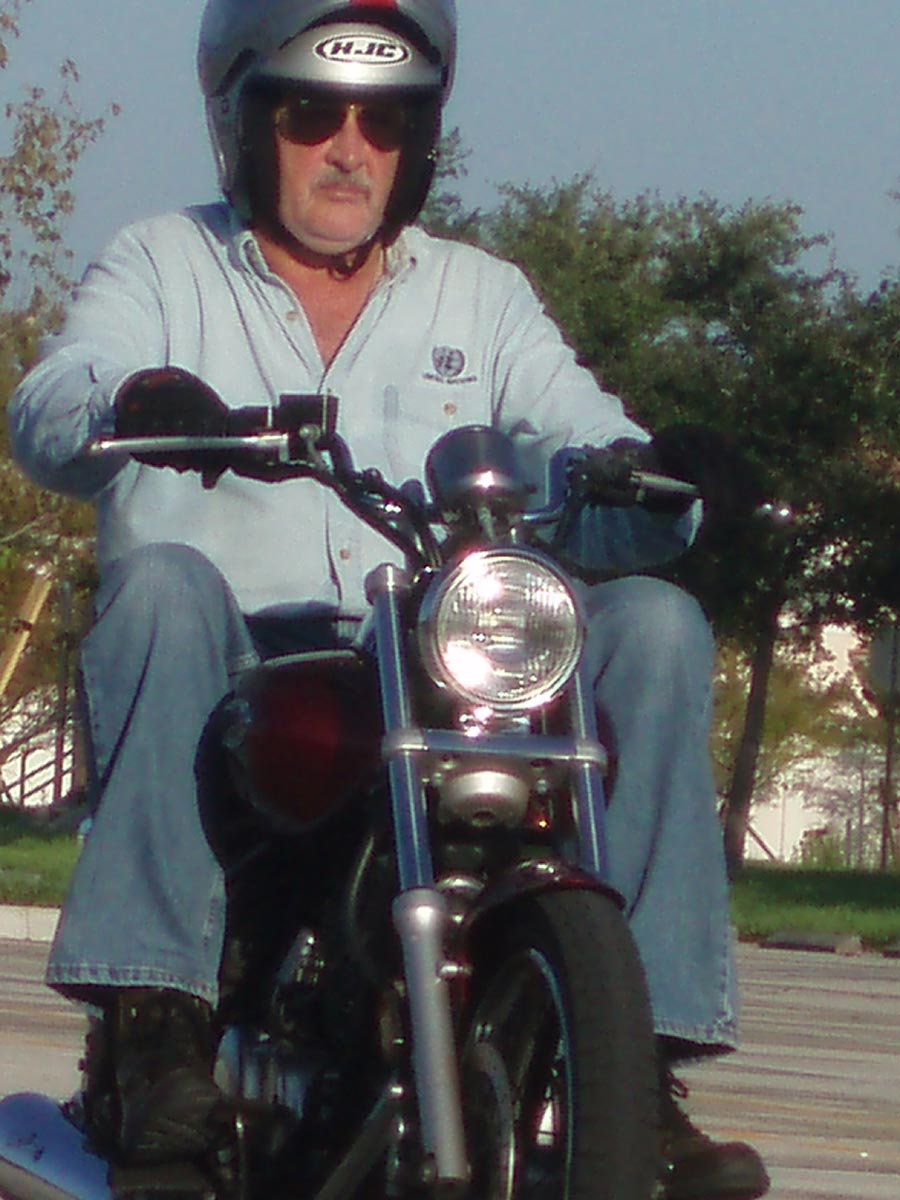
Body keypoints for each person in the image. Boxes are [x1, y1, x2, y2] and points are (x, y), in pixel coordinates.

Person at [8, 2, 769, 1197]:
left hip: (433, 656)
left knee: (656, 625)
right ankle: (152, 1032)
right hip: (241, 669)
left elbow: (582, 450)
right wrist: (135, 400)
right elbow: (53, 404)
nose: (350, 149)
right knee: (158, 585)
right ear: (245, 123)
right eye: (313, 114)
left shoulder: (483, 297)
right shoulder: (161, 263)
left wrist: (668, 475)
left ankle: (641, 1074)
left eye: (386, 121)